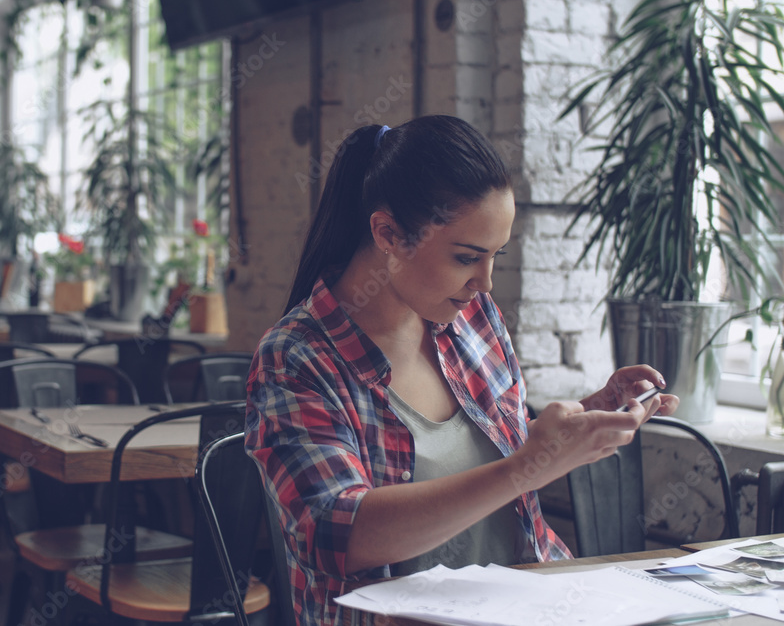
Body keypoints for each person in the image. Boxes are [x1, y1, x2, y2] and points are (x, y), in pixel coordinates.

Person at [244, 115, 678, 626]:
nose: (485, 283)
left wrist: (584, 420)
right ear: (387, 233)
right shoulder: (297, 357)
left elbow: (485, 458)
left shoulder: (471, 318)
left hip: (531, 605)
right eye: (468, 256)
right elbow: (336, 536)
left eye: (496, 255)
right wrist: (532, 465)